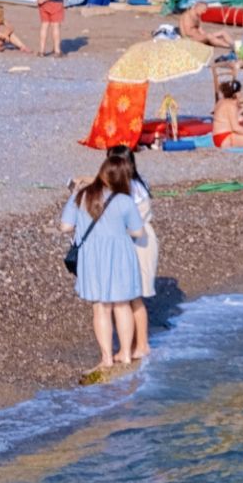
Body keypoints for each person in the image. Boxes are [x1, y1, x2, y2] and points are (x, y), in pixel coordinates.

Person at [61, 144, 154, 376]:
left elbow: (65, 227)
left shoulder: (81, 195)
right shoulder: (124, 201)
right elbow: (138, 233)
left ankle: (106, 357)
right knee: (122, 305)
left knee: (100, 308)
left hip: (91, 258)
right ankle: (123, 352)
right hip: (120, 256)